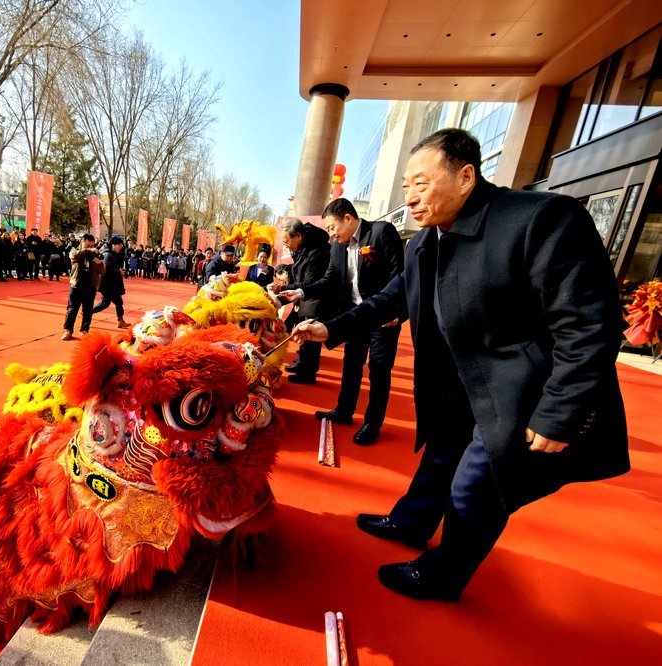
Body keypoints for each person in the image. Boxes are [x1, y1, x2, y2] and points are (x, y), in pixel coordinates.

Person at [293, 128, 629, 601]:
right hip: (457, 386)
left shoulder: (541, 219)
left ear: (466, 176)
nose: (410, 197)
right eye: (406, 186)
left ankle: (443, 575)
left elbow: (590, 324)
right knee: (439, 458)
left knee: (474, 489)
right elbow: (390, 299)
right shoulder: (424, 243)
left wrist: (561, 411)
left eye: (421, 184)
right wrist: (331, 329)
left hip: (517, 394)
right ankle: (411, 522)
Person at [280, 198, 404, 445]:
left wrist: (396, 312)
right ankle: (344, 410)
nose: (331, 234)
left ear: (347, 218)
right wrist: (300, 292)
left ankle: (372, 423)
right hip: (354, 316)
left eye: (332, 227)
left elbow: (398, 276)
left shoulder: (380, 233)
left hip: (383, 317)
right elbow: (329, 280)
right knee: (351, 364)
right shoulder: (337, 247)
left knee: (379, 370)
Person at [270, 219, 332, 383]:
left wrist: (283, 288)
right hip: (305, 299)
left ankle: (308, 372)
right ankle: (302, 363)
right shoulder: (303, 248)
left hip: (315, 299)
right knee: (302, 331)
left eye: (287, 241)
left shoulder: (317, 252)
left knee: (310, 335)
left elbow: (310, 282)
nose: (286, 246)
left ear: (298, 236)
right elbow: (298, 271)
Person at [61, 234, 103, 340]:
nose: (90, 247)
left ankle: (84, 330)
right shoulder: (74, 251)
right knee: (72, 309)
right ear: (82, 242)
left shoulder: (94, 254)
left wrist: (100, 264)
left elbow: (102, 271)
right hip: (77, 285)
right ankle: (68, 330)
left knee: (88, 311)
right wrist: (88, 250)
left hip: (91, 285)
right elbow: (74, 256)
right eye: (88, 245)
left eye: (92, 245)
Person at [93, 236, 130, 329]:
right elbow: (106, 269)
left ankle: (120, 320)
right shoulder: (108, 254)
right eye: (119, 245)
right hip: (107, 283)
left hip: (113, 283)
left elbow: (114, 266)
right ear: (113, 245)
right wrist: (119, 272)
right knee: (105, 303)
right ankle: (87, 312)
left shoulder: (112, 253)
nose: (121, 247)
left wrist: (120, 271)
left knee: (118, 302)